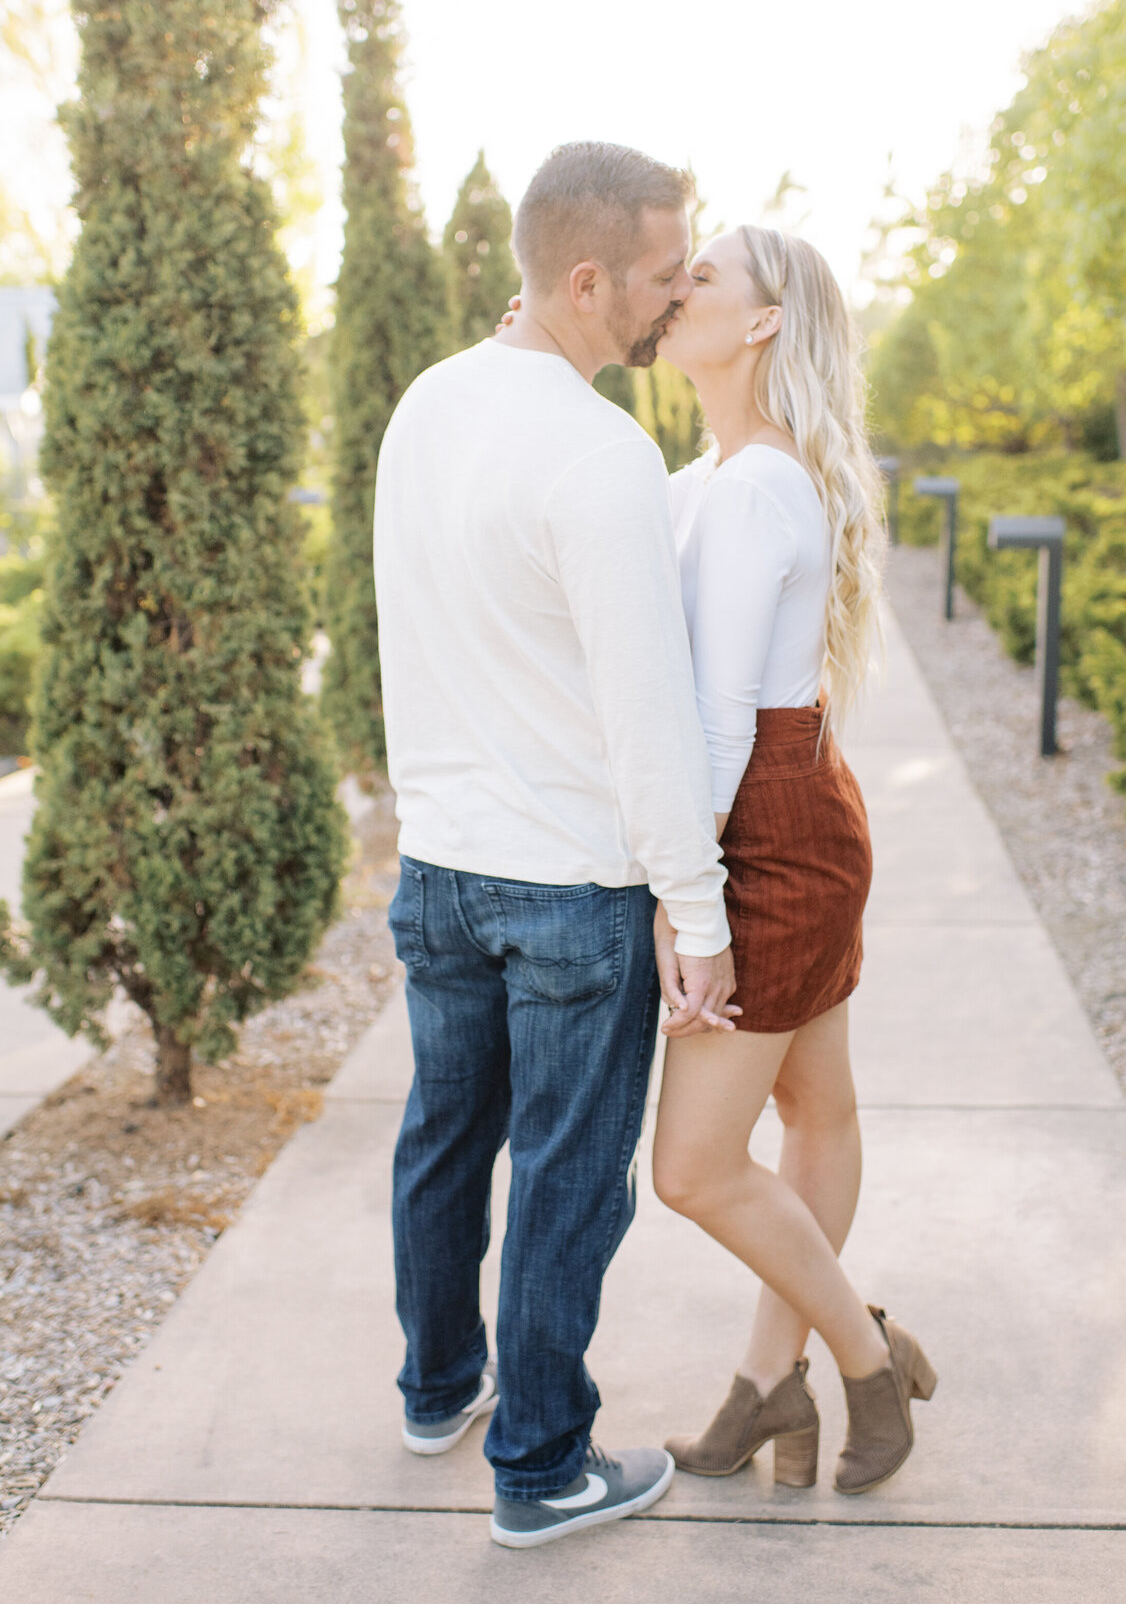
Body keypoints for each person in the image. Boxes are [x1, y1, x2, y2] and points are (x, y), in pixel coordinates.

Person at [373, 142, 736, 1551]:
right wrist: (694, 912)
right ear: (585, 280)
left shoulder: (426, 404)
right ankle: (540, 1466)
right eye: (659, 274)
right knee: (570, 1176)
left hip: (441, 868)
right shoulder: (601, 452)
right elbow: (646, 716)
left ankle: (436, 1386)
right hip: (573, 889)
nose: (678, 294)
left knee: (444, 1136)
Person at [650, 226, 937, 1494]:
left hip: (765, 826)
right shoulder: (715, 473)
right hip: (796, 806)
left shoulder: (758, 483)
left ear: (762, 322)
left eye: (701, 275)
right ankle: (772, 1389)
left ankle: (862, 1357)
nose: (676, 288)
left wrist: (684, 896)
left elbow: (714, 718)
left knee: (693, 1167)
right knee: (817, 1114)